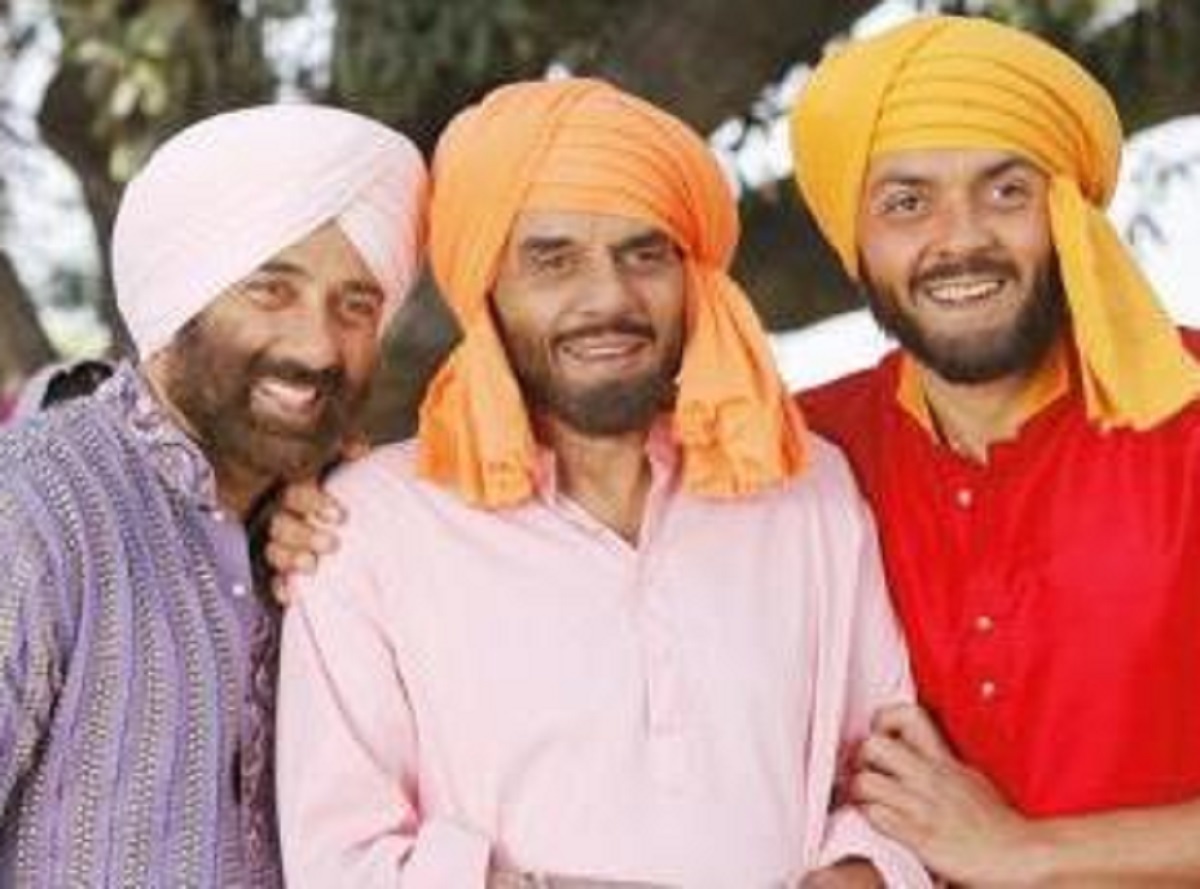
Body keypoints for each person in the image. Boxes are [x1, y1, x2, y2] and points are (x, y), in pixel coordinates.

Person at [273, 78, 929, 888]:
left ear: (691, 277)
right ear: (485, 286)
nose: (608, 297)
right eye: (552, 260)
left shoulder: (805, 486)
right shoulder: (369, 524)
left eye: (644, 254)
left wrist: (859, 870)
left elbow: (895, 780)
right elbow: (339, 859)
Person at [790, 14, 1200, 885]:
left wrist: (1026, 852)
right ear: (852, 238)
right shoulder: (801, 455)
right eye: (906, 202)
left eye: (1007, 191)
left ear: (1068, 212)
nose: (961, 237)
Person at [0, 104, 427, 886]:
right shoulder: (34, 506)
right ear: (180, 294)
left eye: (356, 305)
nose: (318, 346)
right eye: (271, 290)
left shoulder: (333, 534)